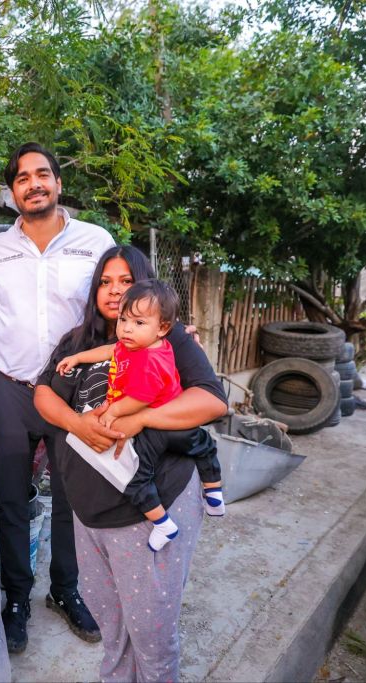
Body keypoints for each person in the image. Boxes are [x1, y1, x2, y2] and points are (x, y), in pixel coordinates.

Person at [34, 245, 227, 682]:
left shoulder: (169, 340)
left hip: (149, 505)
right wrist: (77, 424)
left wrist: (140, 418)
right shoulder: (77, 340)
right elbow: (43, 393)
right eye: (105, 281)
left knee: (151, 635)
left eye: (126, 281)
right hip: (89, 511)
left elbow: (211, 400)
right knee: (111, 627)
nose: (115, 291)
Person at [0, 142, 114, 653]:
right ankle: (16, 598)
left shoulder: (95, 242)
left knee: (71, 498)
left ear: (58, 183)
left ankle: (65, 589)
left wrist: (166, 336)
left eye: (42, 174)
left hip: (73, 394)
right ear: (12, 192)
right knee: (12, 498)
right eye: (22, 178)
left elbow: (117, 305)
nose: (33, 184)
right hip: (12, 388)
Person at [55, 278, 224, 553]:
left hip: (156, 431)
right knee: (203, 445)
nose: (127, 329)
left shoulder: (148, 359)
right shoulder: (140, 345)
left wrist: (113, 411)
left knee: (135, 479)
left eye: (138, 322)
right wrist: (79, 357)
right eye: (123, 320)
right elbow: (110, 351)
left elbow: (141, 398)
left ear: (163, 328)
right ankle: (214, 493)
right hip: (176, 425)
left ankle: (162, 523)